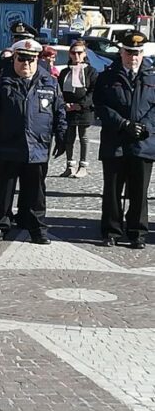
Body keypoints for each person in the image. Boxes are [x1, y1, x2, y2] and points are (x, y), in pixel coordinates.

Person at [0, 39, 67, 245]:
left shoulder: (50, 82)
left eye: (31, 60)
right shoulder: (1, 82)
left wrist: (62, 137)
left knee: (36, 192)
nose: (26, 64)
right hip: (8, 145)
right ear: (14, 59)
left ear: (37, 59)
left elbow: (59, 112)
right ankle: (0, 225)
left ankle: (36, 227)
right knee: (5, 191)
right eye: (22, 59)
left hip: (38, 146)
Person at [94, 30, 155, 249]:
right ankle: (111, 230)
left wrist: (145, 126)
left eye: (137, 52)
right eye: (129, 52)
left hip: (143, 141)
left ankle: (137, 233)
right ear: (121, 52)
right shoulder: (108, 76)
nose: (133, 57)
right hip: (115, 140)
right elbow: (100, 105)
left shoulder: (152, 75)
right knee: (112, 190)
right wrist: (122, 123)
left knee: (139, 191)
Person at [57, 39, 98, 178]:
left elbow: (94, 91)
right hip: (68, 109)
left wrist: (81, 104)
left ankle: (83, 166)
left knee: (83, 137)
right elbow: (59, 90)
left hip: (84, 109)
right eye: (73, 53)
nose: (76, 56)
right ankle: (70, 165)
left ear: (84, 54)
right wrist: (64, 104)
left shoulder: (91, 72)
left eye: (79, 53)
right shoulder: (64, 72)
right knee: (69, 137)